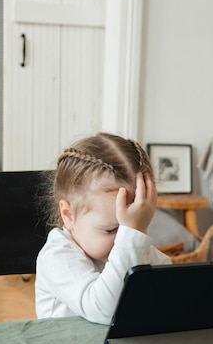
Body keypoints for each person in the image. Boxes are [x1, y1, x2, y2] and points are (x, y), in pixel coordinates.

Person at [35, 133, 171, 324]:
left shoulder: (130, 248)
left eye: (138, 225)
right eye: (111, 230)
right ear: (68, 215)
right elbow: (105, 310)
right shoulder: (56, 257)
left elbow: (167, 285)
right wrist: (132, 233)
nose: (121, 240)